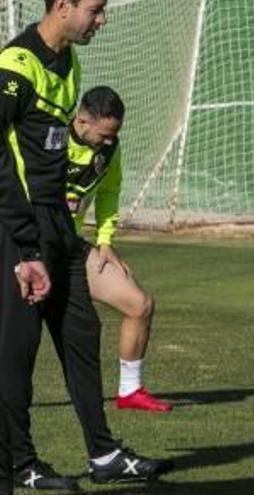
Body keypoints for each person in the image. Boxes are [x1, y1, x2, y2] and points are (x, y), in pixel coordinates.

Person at [0, 1, 171, 492]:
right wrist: (24, 237)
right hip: (20, 231)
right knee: (17, 351)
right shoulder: (17, 65)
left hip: (58, 229)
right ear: (62, 7)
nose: (102, 20)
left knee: (81, 332)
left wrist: (88, 235)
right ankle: (20, 463)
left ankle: (103, 453)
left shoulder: (69, 61)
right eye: (95, 10)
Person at [66, 86, 171, 412]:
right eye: (104, 134)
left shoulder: (110, 150)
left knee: (139, 304)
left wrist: (105, 240)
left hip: (69, 249)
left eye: (115, 134)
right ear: (82, 120)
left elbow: (109, 192)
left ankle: (130, 391)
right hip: (23, 247)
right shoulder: (46, 137)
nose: (110, 141)